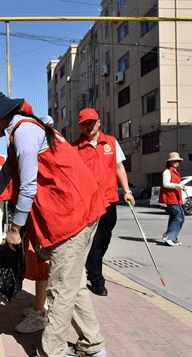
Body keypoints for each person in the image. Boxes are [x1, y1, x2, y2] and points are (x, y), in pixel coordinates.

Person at [0, 87, 108, 357]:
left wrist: (15, 228)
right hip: (74, 212)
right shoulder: (19, 132)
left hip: (72, 215)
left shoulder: (26, 133)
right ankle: (93, 345)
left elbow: (28, 186)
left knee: (60, 289)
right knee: (73, 284)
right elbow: (3, 178)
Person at [73, 108, 134, 296]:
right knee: (96, 241)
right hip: (89, 203)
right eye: (84, 123)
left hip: (109, 199)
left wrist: (127, 191)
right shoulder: (75, 148)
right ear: (80, 126)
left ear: (99, 122)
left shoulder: (112, 143)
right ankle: (97, 280)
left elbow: (119, 167)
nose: (88, 126)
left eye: (91, 122)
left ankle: (91, 267)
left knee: (105, 238)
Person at [159, 152, 186, 246]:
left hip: (176, 197)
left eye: (178, 161)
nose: (177, 163)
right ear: (170, 162)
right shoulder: (167, 171)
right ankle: (168, 236)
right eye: (174, 161)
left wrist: (180, 185)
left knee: (178, 218)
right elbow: (166, 184)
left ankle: (173, 238)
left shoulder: (175, 172)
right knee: (179, 217)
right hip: (170, 197)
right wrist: (178, 185)